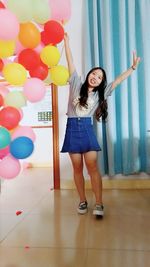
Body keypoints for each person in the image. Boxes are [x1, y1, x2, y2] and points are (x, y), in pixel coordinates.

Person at [61, 33, 140, 217]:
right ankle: (82, 201)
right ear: (89, 75)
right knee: (77, 168)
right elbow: (70, 62)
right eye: (94, 73)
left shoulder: (101, 94)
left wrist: (132, 68)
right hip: (72, 129)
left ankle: (99, 203)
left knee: (93, 167)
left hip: (87, 130)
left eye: (99, 77)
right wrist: (66, 42)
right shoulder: (75, 83)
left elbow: (118, 81)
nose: (95, 77)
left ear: (101, 82)